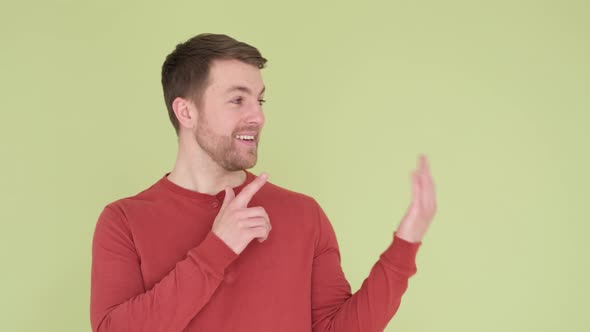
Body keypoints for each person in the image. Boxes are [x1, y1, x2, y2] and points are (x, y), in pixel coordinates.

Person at [90, 33, 437, 332]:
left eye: (260, 100)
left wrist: (407, 242)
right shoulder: (124, 221)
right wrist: (216, 249)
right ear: (186, 112)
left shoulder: (302, 214)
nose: (258, 116)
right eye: (237, 100)